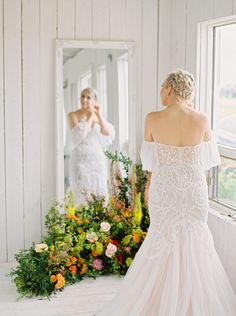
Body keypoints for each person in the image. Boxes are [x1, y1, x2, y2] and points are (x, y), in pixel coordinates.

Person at [94, 69, 236, 315]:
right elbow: (209, 157)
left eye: (162, 87)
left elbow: (151, 162)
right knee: (195, 242)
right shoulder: (202, 119)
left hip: (165, 190)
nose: (160, 91)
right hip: (193, 191)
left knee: (161, 240)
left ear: (170, 88)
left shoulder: (153, 118)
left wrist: (148, 187)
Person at [68, 87, 115, 205]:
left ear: (94, 100)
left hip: (96, 159)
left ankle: (99, 219)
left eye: (88, 97)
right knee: (81, 190)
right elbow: (79, 136)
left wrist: (98, 114)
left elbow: (107, 132)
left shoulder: (97, 116)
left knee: (98, 189)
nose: (84, 99)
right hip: (80, 159)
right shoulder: (73, 115)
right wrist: (89, 117)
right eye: (82, 96)